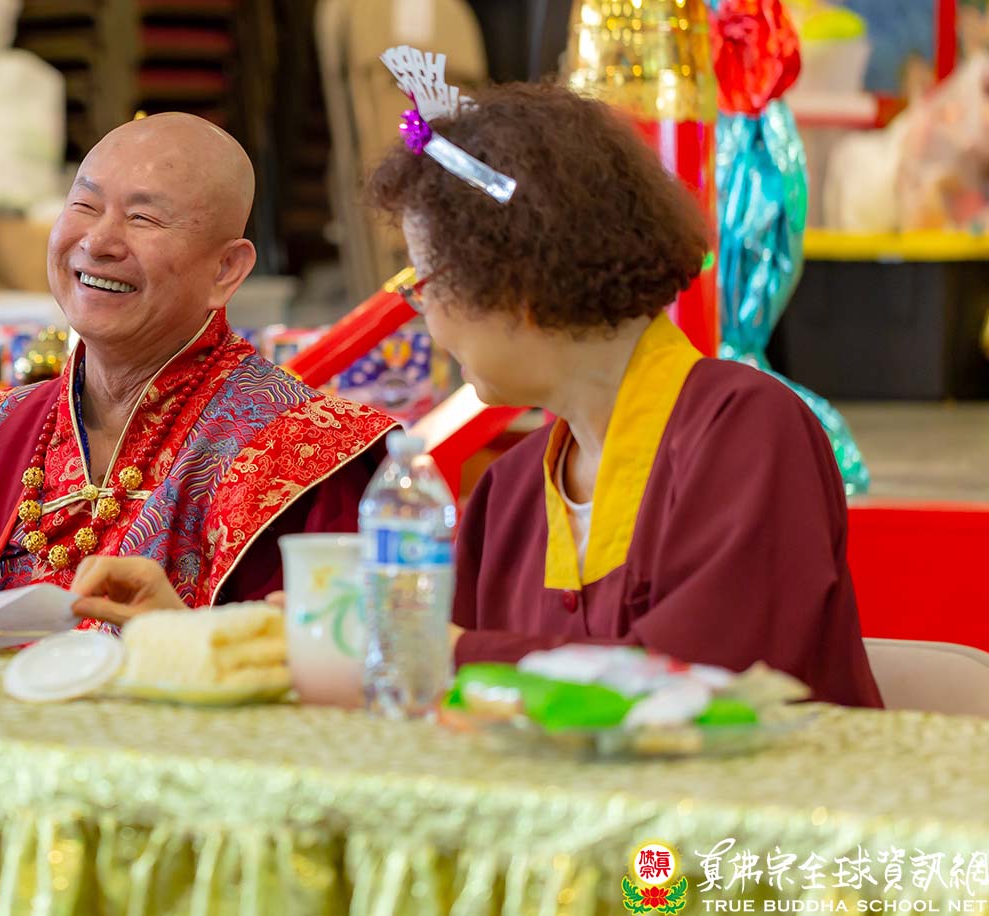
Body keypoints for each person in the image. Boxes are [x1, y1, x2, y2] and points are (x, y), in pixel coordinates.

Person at [364, 77, 881, 708]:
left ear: (513, 282)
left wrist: (442, 651)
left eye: (426, 285)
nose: (429, 320)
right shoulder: (510, 492)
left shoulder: (748, 428)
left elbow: (701, 687)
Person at [0, 114, 395, 619]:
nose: (98, 243)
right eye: (84, 205)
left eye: (143, 218)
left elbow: (327, 665)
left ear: (225, 269)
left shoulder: (304, 456)